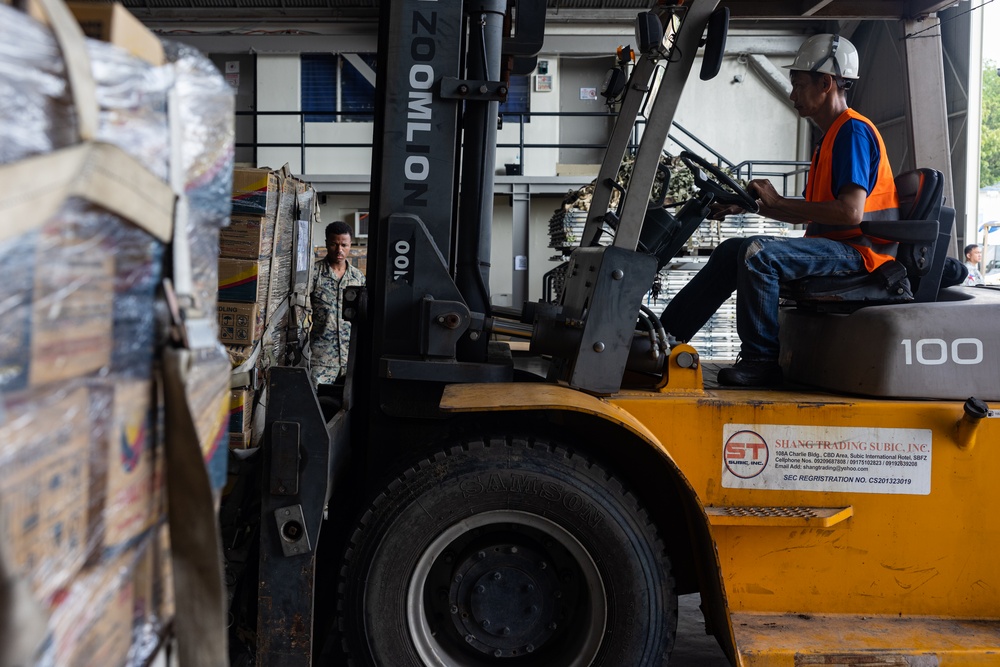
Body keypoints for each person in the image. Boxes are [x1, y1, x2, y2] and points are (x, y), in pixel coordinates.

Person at [661, 34, 899, 387]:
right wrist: (747, 205)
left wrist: (776, 203)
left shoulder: (853, 132)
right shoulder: (831, 137)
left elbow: (850, 214)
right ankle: (665, 337)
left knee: (759, 254)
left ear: (826, 82)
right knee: (731, 251)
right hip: (836, 245)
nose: (792, 95)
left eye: (798, 85)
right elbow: (810, 213)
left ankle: (760, 362)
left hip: (860, 254)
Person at [309, 220, 366, 389]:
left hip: (351, 358)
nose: (339, 250)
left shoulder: (358, 278)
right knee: (316, 404)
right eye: (334, 244)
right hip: (321, 359)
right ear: (327, 243)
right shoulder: (314, 274)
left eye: (344, 245)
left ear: (350, 245)